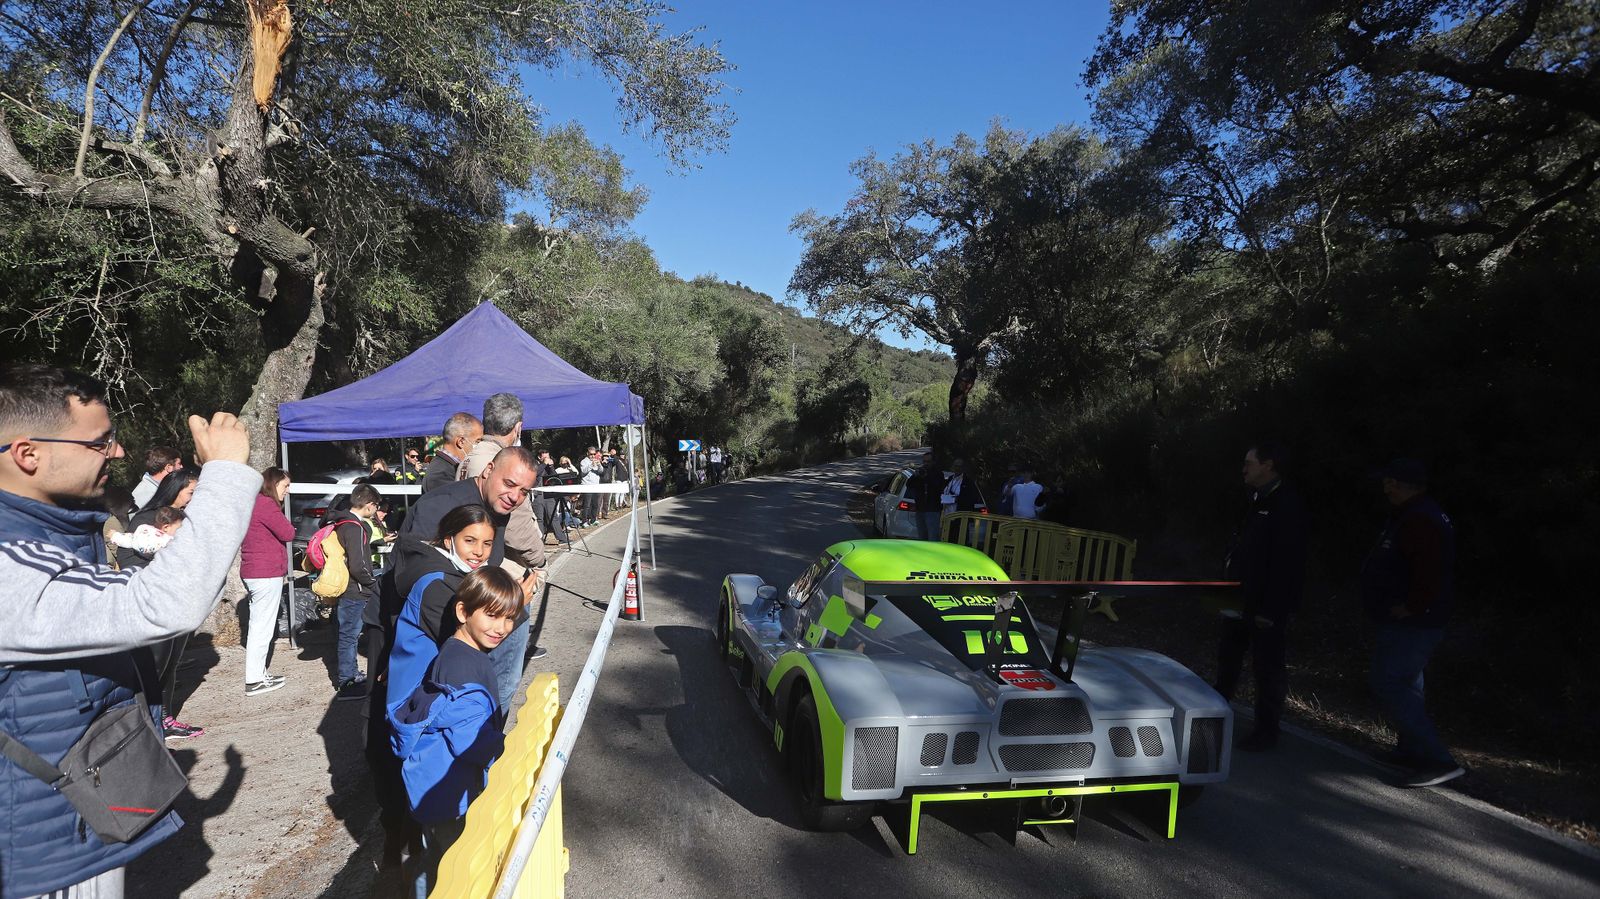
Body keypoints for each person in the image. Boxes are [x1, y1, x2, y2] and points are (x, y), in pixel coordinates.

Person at [0, 364, 257, 899]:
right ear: (28, 454)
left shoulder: (52, 533)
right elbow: (160, 604)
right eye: (101, 442)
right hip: (37, 849)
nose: (117, 453)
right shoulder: (9, 565)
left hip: (68, 818)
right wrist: (227, 477)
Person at [365, 503, 496, 876]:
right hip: (423, 710)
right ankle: (420, 867)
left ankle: (409, 856)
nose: (479, 551)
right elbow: (476, 639)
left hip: (419, 702)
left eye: (487, 543)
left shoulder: (441, 574)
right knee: (437, 813)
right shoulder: (440, 584)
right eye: (470, 540)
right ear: (448, 537)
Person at [390, 565, 519, 896]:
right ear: (463, 611)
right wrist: (510, 753)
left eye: (509, 618)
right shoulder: (461, 665)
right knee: (454, 864)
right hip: (447, 789)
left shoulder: (461, 651)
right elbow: (468, 737)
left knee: (435, 857)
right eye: (492, 616)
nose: (502, 628)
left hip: (438, 782)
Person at [396, 446, 539, 711]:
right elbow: (415, 580)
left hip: (449, 637)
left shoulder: (497, 506)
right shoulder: (441, 505)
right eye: (509, 484)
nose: (515, 496)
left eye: (524, 491)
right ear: (488, 470)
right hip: (423, 638)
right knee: (409, 721)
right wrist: (513, 608)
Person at [1361, 458, 1464, 788]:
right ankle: (1411, 750)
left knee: (1386, 680)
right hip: (1414, 617)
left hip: (1416, 620)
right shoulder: (1413, 514)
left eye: (1390, 481)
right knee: (1407, 682)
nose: (1385, 487)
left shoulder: (1421, 520)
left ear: (1405, 484)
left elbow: (1430, 572)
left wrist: (1412, 607)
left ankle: (1438, 760)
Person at [1215, 442, 1309, 752]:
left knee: (1267, 667)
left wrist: (1271, 607)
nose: (1244, 468)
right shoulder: (1253, 500)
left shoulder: (1286, 505)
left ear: (1268, 465)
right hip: (1238, 597)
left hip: (1266, 604)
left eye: (1249, 462)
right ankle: (1213, 716)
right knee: (1227, 658)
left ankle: (1267, 731)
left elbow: (1288, 563)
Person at [118, 467, 205, 739]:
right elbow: (128, 556)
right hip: (154, 601)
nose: (194, 496)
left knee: (172, 663)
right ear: (176, 489)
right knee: (154, 664)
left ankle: (164, 719)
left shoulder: (189, 518)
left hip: (181, 599)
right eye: (192, 491)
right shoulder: (146, 518)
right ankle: (143, 724)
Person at [240, 467, 295, 697]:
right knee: (261, 628)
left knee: (259, 625)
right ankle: (254, 679)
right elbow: (287, 533)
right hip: (265, 573)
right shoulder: (265, 505)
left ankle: (260, 674)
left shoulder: (254, 503)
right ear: (274, 484)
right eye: (285, 486)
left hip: (256, 571)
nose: (288, 491)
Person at [333, 484, 383, 701]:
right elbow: (359, 564)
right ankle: (346, 681)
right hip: (356, 590)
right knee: (349, 636)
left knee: (349, 635)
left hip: (350, 588)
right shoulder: (355, 528)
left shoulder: (343, 523)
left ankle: (351, 673)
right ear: (370, 505)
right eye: (376, 506)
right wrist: (372, 583)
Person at [423, 412, 482, 494]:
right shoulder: (439, 475)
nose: (481, 446)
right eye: (477, 441)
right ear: (461, 441)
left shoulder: (451, 467)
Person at [907, 452, 946, 540]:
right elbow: (909, 485)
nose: (926, 464)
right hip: (920, 509)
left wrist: (927, 476)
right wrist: (915, 476)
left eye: (928, 462)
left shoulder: (938, 474)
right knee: (922, 537)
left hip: (932, 510)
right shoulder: (920, 472)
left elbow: (938, 487)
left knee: (933, 537)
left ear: (933, 462)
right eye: (924, 462)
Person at [579, 446, 603, 526]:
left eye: (594, 454)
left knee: (595, 504)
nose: (592, 456)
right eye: (591, 454)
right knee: (587, 505)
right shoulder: (584, 462)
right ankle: (584, 521)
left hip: (595, 486)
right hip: (587, 486)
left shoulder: (597, 460)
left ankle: (593, 520)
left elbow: (601, 471)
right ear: (587, 454)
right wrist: (591, 465)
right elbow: (583, 471)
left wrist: (599, 465)